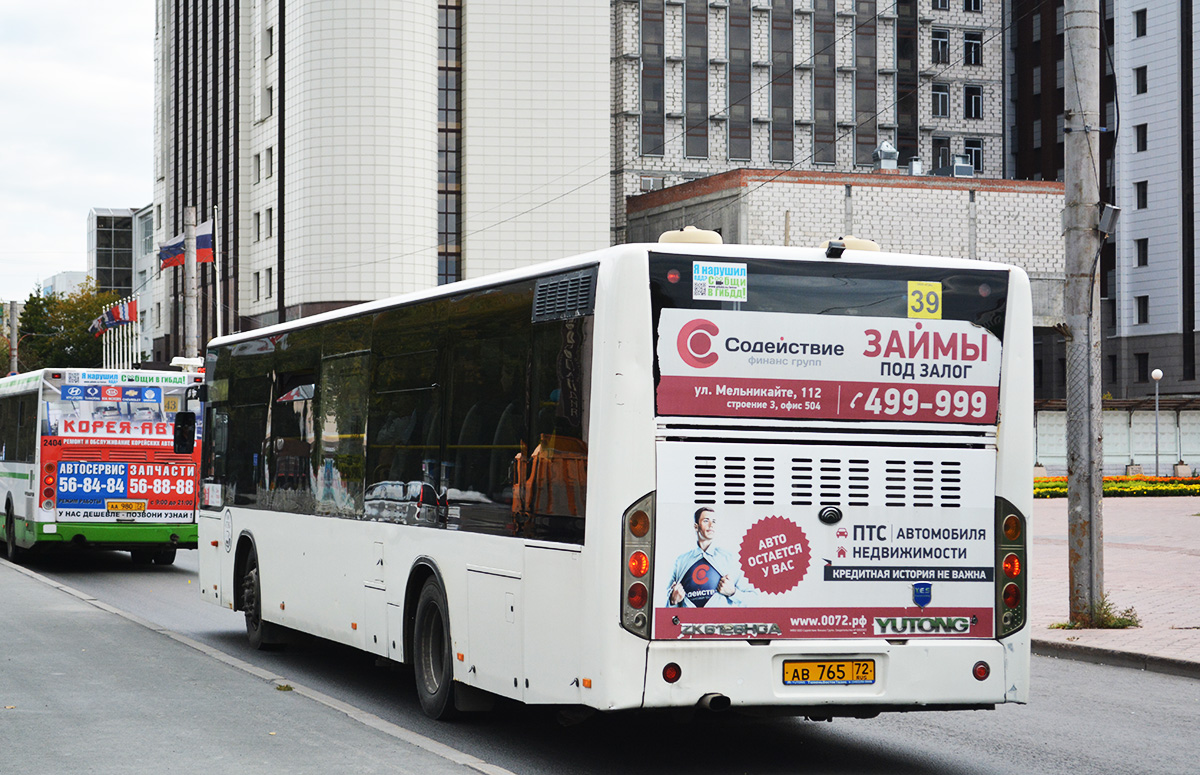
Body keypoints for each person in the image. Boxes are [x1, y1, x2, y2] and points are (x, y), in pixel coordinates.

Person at [666, 507, 756, 607]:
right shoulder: (681, 561)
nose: (711, 525)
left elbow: (754, 600)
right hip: (688, 621)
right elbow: (662, 604)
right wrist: (672, 601)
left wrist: (733, 593)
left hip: (721, 621)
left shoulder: (730, 559)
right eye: (706, 521)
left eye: (714, 521)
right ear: (696, 527)